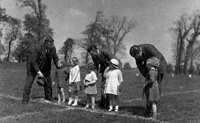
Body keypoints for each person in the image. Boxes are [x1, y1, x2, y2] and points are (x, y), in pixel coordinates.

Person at [129, 43, 167, 115]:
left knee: (156, 88)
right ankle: (149, 108)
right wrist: (147, 76)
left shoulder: (148, 47)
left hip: (160, 65)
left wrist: (153, 72)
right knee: (148, 90)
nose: (137, 58)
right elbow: (141, 68)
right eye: (135, 57)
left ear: (140, 50)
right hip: (149, 68)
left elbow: (157, 58)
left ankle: (156, 109)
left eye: (137, 55)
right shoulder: (137, 58)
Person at [22, 36, 61, 104]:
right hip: (32, 66)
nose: (50, 45)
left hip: (45, 67)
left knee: (48, 81)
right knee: (29, 81)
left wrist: (57, 64)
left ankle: (48, 97)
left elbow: (55, 58)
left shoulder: (53, 49)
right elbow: (33, 61)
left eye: (51, 44)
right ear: (45, 43)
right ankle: (25, 100)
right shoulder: (38, 48)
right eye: (49, 44)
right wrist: (38, 72)